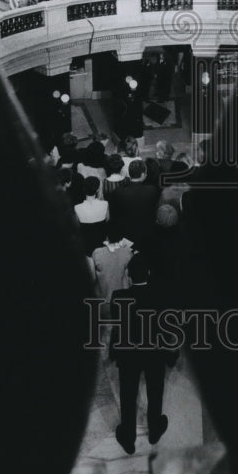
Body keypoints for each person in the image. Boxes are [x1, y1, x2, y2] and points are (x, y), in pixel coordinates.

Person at [109, 253, 177, 454]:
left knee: (128, 395)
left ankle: (128, 438)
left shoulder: (118, 297)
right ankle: (155, 430)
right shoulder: (161, 296)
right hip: (154, 352)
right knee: (155, 391)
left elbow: (117, 326)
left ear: (128, 275)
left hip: (128, 353)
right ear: (149, 273)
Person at [108, 158, 160, 249]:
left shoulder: (118, 192)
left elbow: (113, 215)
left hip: (124, 236)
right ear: (143, 174)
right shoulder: (152, 190)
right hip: (146, 235)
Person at [73, 176, 110, 258]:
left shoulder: (77, 208)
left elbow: (77, 227)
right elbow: (107, 220)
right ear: (97, 189)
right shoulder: (105, 204)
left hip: (86, 248)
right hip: (101, 246)